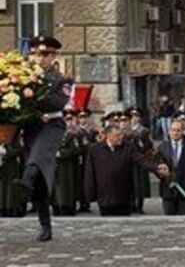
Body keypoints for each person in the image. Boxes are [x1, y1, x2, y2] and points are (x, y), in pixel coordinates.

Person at [13, 36, 74, 241]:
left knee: (38, 155)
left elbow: (58, 102)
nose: (41, 58)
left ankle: (25, 180)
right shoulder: (24, 77)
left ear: (54, 56)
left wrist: (34, 98)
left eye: (46, 54)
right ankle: (45, 225)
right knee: (40, 179)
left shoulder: (62, 79)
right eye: (37, 54)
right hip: (31, 127)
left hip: (52, 126)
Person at [84, 124, 169, 216]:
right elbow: (90, 173)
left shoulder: (128, 147)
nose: (121, 137)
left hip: (124, 194)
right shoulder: (96, 149)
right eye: (117, 135)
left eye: (121, 135)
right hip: (105, 195)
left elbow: (141, 161)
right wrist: (90, 194)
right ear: (108, 136)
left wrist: (156, 167)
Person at [155, 118, 185, 215]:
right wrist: (162, 174)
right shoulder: (162, 147)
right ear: (169, 131)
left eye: (178, 130)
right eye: (173, 130)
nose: (175, 133)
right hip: (168, 191)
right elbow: (156, 167)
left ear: (183, 131)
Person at [51, 110, 83, 216]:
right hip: (54, 166)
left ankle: (67, 207)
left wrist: (61, 153)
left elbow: (76, 150)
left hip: (67, 166)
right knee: (55, 188)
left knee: (67, 187)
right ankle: (56, 206)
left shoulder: (71, 135)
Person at [126, 107, 153, 214]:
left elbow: (149, 145)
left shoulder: (144, 131)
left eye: (136, 116)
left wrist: (141, 142)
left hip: (140, 158)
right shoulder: (126, 131)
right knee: (130, 182)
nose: (134, 119)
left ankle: (140, 205)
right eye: (132, 116)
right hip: (129, 160)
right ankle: (131, 204)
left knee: (140, 183)